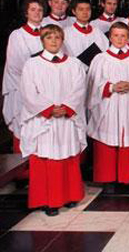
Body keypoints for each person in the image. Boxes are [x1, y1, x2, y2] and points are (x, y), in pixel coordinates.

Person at [19, 24, 87, 216]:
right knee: (45, 157)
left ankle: (70, 195)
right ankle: (48, 200)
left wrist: (66, 107)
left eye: (57, 38)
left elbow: (79, 88)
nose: (54, 41)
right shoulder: (32, 65)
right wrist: (49, 109)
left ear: (62, 40)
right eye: (49, 38)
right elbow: (28, 91)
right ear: (42, 41)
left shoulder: (73, 64)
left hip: (67, 118)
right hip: (44, 120)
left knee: (67, 156)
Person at [87, 22, 129, 187]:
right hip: (109, 105)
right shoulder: (100, 58)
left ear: (128, 37)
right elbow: (92, 86)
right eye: (116, 35)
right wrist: (111, 87)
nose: (120, 39)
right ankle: (107, 178)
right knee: (108, 139)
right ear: (110, 37)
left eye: (123, 35)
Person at [3, 0, 45, 154]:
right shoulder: (17, 35)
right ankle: (21, 170)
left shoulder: (49, 32)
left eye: (40, 10)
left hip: (45, 90)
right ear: (26, 13)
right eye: (33, 10)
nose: (37, 13)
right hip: (23, 87)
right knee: (23, 124)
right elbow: (16, 64)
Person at [63, 0, 109, 68]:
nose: (85, 12)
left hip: (95, 73)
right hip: (75, 72)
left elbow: (105, 54)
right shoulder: (66, 33)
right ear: (74, 11)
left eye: (88, 9)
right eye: (81, 9)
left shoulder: (97, 32)